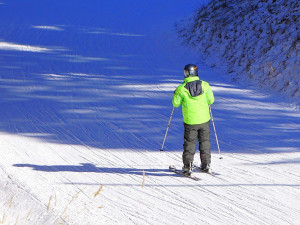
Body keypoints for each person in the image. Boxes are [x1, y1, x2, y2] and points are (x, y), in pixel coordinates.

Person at [172, 64, 214, 175]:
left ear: (187, 73)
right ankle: (206, 164)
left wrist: (175, 94)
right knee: (205, 142)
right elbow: (211, 100)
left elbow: (175, 104)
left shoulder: (181, 89)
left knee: (189, 143)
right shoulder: (205, 85)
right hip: (204, 119)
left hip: (190, 121)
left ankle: (187, 166)